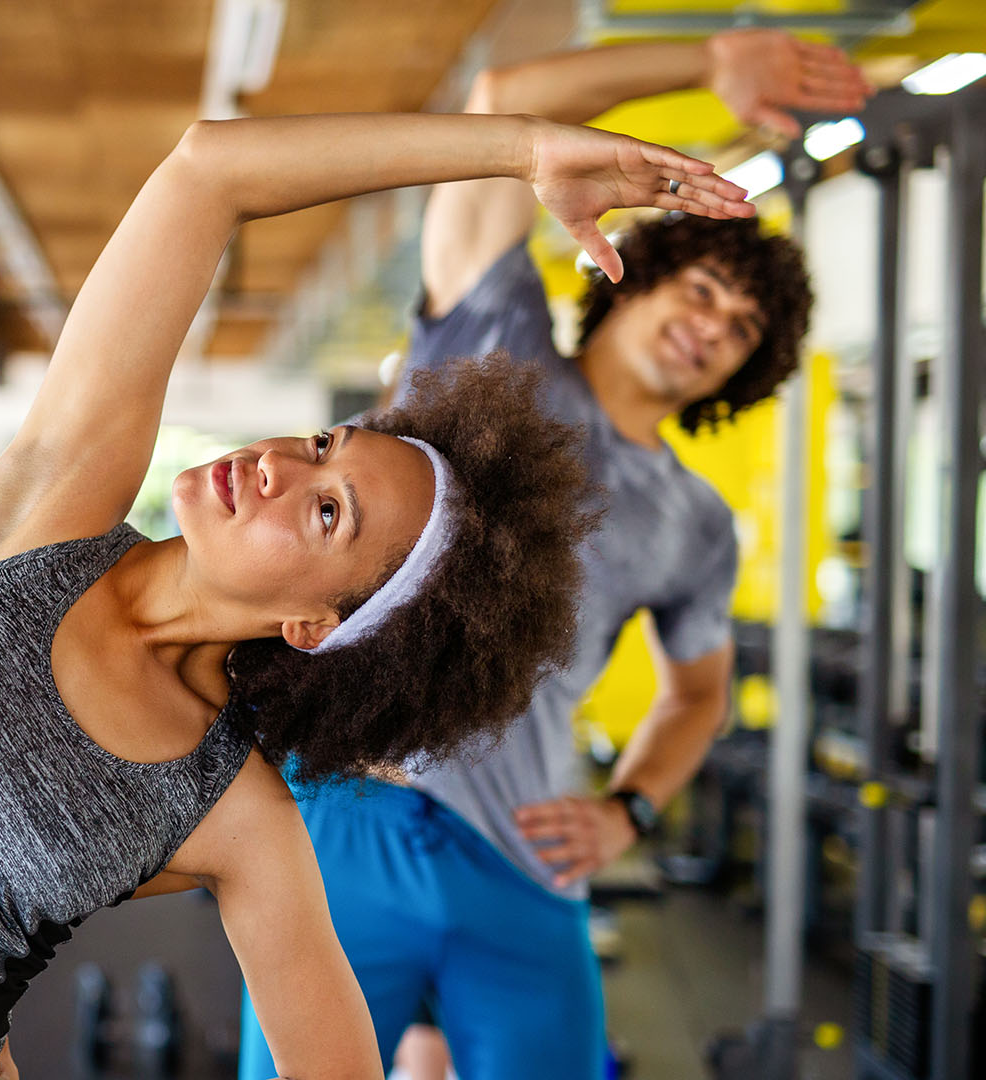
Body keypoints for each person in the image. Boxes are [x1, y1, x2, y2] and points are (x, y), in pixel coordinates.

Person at [0, 102, 753, 1080]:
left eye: (327, 513)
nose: (285, 465)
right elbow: (208, 170)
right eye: (332, 444)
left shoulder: (233, 809)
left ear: (320, 626)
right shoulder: (58, 510)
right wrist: (518, 149)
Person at [237, 30, 870, 1080]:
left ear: (744, 372)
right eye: (704, 290)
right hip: (350, 813)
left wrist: (627, 810)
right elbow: (501, 96)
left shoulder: (698, 522)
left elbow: (696, 696)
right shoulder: (497, 334)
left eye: (743, 326)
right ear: (640, 275)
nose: (711, 325)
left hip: (522, 853)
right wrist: (711, 66)